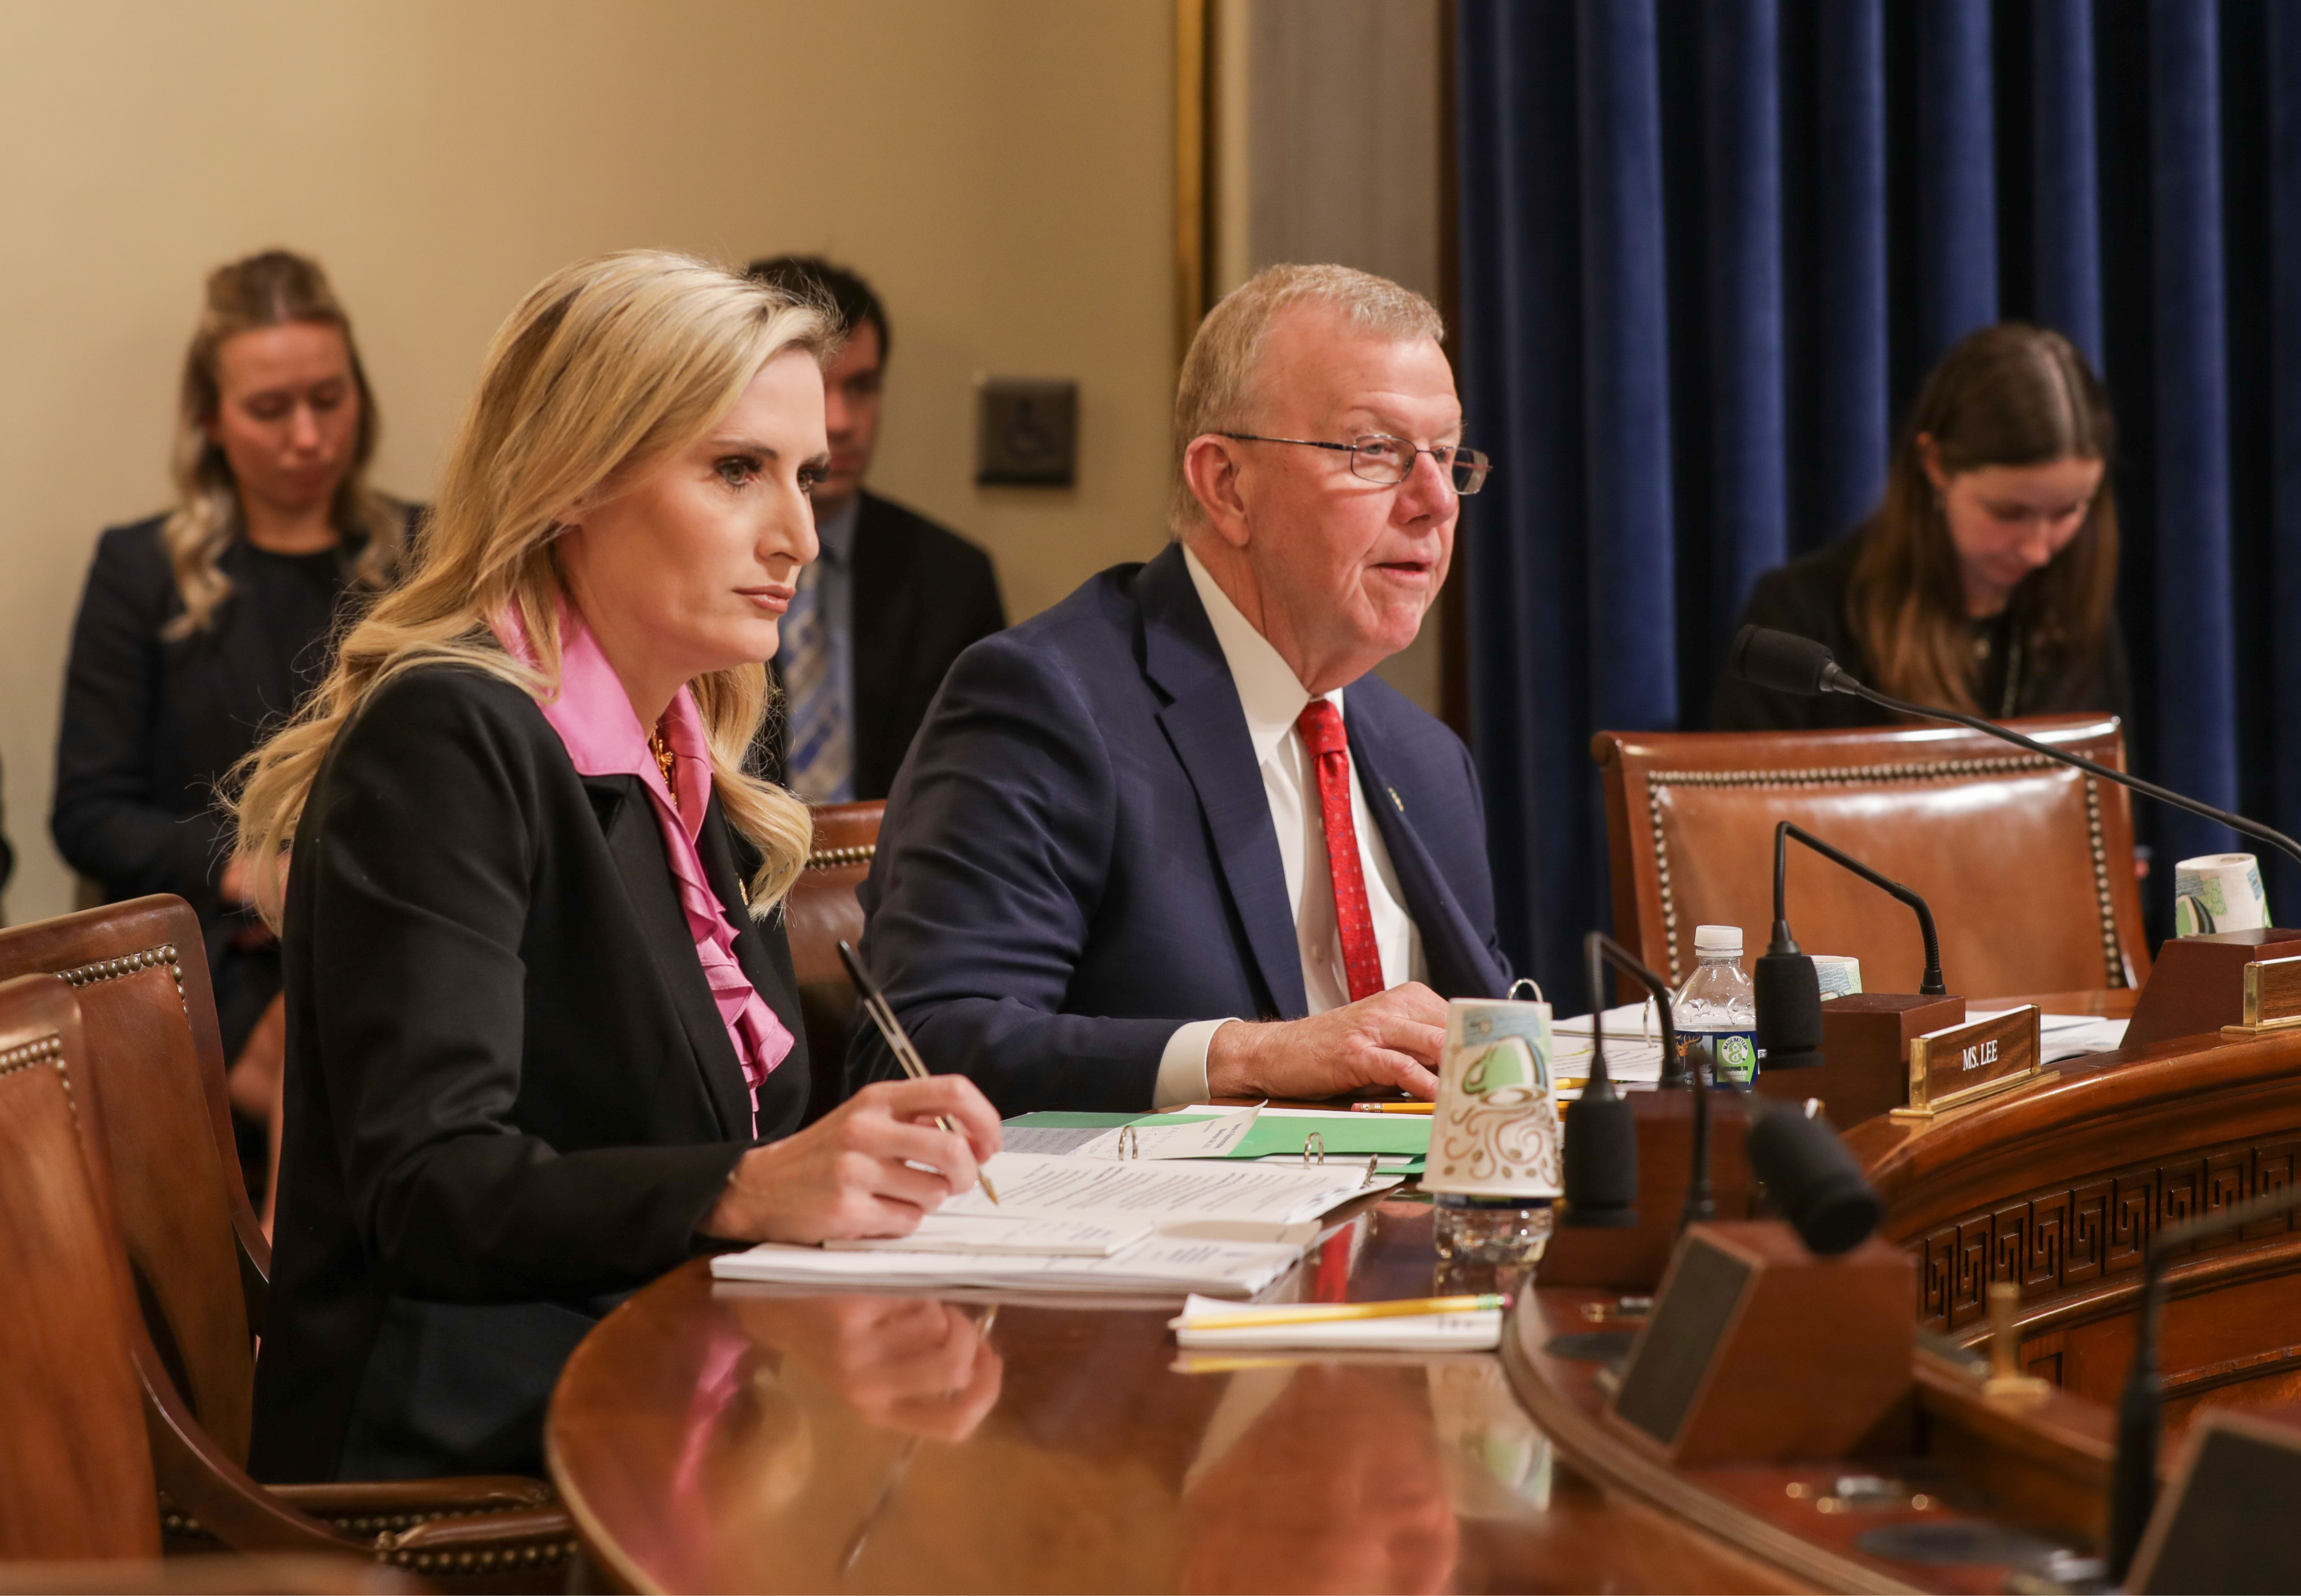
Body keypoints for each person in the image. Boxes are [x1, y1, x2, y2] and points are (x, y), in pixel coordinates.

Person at [231, 252, 1000, 1483]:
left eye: (807, 476)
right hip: (463, 1447)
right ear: (573, 478)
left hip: (673, 1386)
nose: (800, 533)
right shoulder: (449, 734)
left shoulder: (685, 751)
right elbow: (427, 1187)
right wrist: (748, 1185)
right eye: (738, 470)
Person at [856, 264, 1509, 1118]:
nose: (1432, 502)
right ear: (1225, 485)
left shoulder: (1425, 758)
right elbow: (922, 1045)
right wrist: (1252, 1052)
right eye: (1374, 451)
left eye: (1446, 454)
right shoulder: (1047, 703)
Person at [53, 250, 410, 1122]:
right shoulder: (141, 571)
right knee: (323, 1059)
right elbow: (90, 813)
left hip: (394, 922)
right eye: (269, 409)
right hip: (223, 943)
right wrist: (248, 873)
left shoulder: (423, 556)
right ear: (211, 419)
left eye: (328, 400)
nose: (306, 436)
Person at [1709, 322, 2129, 733]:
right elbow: (1728, 801)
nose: (2038, 550)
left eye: (2068, 511)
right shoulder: (1800, 616)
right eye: (2009, 513)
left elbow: (2115, 798)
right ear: (1935, 465)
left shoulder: (2076, 611)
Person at [740, 254, 1007, 799]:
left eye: (861, 387)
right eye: (818, 386)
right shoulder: (699, 561)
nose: (840, 421)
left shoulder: (953, 578)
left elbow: (983, 778)